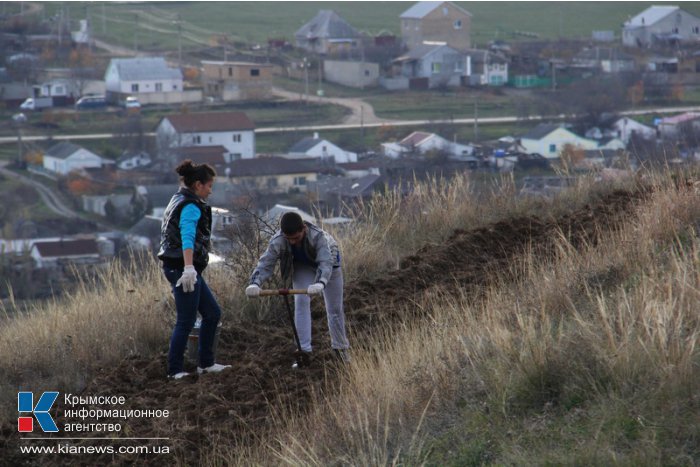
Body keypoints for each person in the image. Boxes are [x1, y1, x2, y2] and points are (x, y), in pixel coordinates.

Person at [245, 211, 350, 367]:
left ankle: (340, 350)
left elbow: (325, 263)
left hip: (330, 266)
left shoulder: (319, 237)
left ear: (303, 229)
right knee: (301, 301)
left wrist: (320, 283)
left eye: (296, 238)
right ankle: (303, 353)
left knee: (334, 309)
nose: (292, 242)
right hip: (303, 265)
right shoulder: (278, 240)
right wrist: (255, 283)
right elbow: (266, 264)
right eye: (289, 239)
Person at [158, 160, 231, 379]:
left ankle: (206, 364)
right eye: (209, 186)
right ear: (198, 184)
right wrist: (189, 268)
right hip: (183, 269)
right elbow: (187, 237)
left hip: (182, 267)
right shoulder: (190, 206)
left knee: (212, 313)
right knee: (186, 320)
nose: (210, 191)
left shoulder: (178, 198)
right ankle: (175, 370)